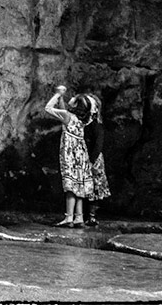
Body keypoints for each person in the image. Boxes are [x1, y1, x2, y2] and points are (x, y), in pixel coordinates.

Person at [44, 84, 93, 227]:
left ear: (76, 105)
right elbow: (65, 110)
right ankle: (79, 217)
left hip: (70, 153)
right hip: (81, 154)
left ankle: (69, 217)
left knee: (70, 185)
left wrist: (58, 94)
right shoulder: (84, 119)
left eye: (74, 99)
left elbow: (48, 108)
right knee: (79, 185)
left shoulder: (67, 116)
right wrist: (63, 99)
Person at [80, 92, 111, 226]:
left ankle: (91, 215)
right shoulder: (82, 124)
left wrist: (91, 160)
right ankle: (80, 214)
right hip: (81, 158)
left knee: (94, 188)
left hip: (93, 160)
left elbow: (98, 144)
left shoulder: (96, 125)